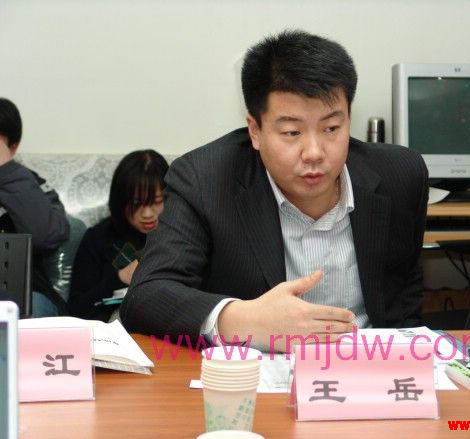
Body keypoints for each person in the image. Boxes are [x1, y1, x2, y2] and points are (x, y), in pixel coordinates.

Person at [121, 30, 428, 351]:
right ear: (255, 131)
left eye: (331, 128)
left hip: (371, 366)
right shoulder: (204, 180)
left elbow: (404, 306)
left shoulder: (400, 176)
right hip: (259, 369)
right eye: (292, 132)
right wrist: (241, 319)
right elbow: (147, 295)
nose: (314, 152)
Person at [68, 150, 168, 321]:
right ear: (121, 201)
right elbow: (76, 309)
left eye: (156, 202)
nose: (147, 214)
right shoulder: (98, 239)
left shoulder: (183, 235)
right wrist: (120, 278)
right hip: (113, 329)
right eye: (136, 203)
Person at [0, 98, 70, 317]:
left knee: (33, 306)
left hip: (23, 292)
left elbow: (48, 235)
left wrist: (6, 171)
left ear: (12, 147)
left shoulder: (31, 184)